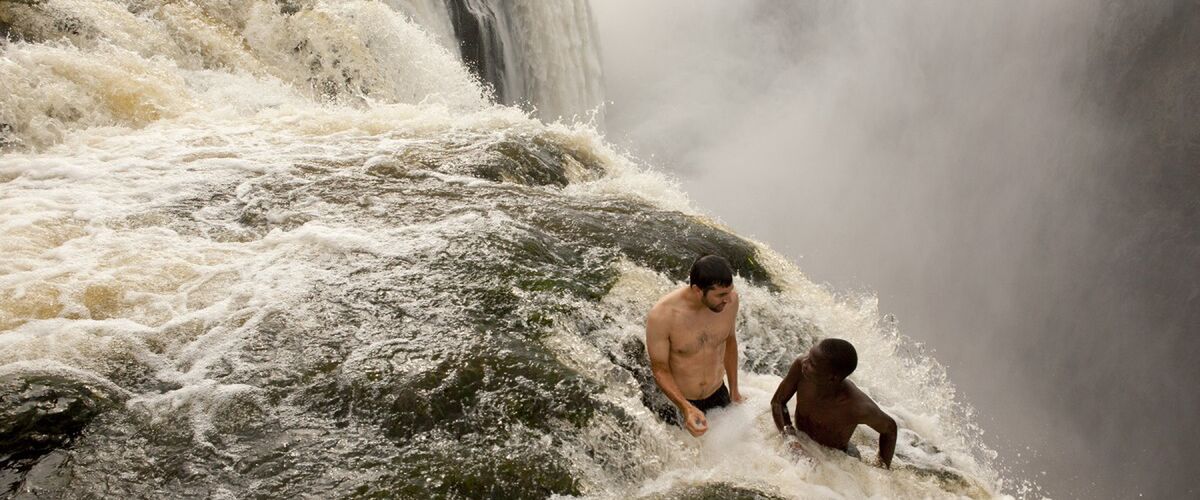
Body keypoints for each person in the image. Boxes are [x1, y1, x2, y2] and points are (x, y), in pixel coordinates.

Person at [645, 255, 744, 437]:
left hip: (718, 394)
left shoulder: (729, 303)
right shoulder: (663, 316)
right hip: (677, 404)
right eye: (721, 294)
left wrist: (735, 391)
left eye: (730, 291)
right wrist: (686, 408)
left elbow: (729, 342)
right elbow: (660, 369)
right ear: (698, 290)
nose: (728, 299)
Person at [771, 338, 898, 468]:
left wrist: (882, 468)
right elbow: (778, 402)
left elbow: (890, 428)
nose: (805, 362)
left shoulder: (857, 407)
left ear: (832, 378)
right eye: (808, 355)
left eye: (812, 364)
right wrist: (790, 438)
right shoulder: (801, 368)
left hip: (835, 460)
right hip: (800, 439)